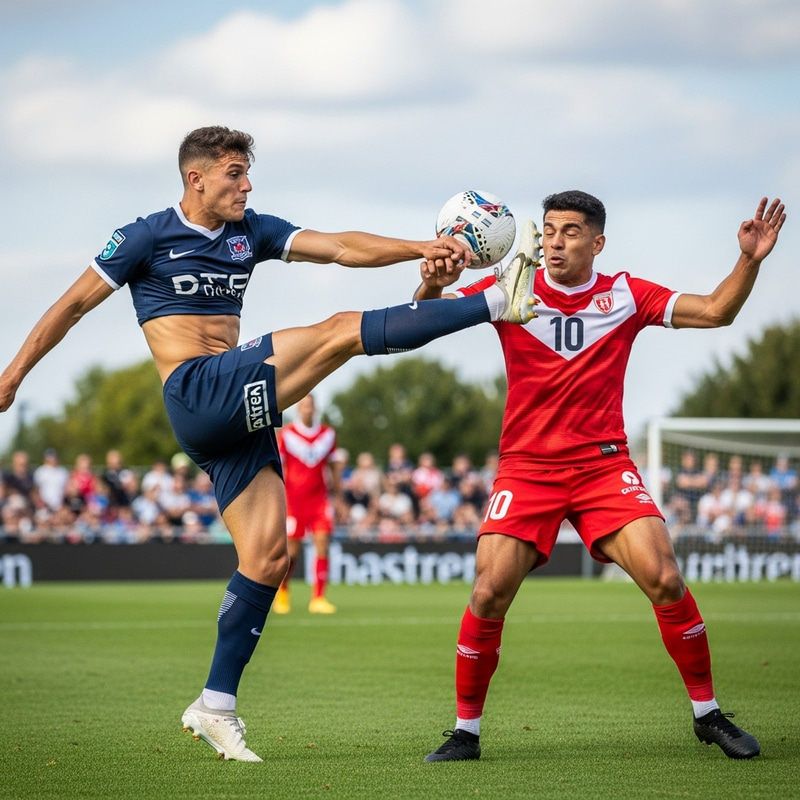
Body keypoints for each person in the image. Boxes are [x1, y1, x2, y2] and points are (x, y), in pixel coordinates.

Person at [0, 125, 537, 763]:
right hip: (197, 392)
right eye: (234, 173)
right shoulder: (144, 235)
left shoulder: (250, 231)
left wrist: (422, 247)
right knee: (339, 331)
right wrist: (10, 378)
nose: (246, 185)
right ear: (195, 178)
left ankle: (215, 706)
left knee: (267, 557)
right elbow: (70, 306)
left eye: (247, 174)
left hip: (235, 413)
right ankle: (499, 301)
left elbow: (339, 246)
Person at [415, 191, 786, 762]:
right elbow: (424, 320)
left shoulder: (625, 294)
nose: (555, 241)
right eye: (550, 230)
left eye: (569, 231)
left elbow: (716, 311)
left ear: (597, 242)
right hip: (528, 467)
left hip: (603, 466)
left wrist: (750, 260)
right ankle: (466, 732)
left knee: (664, 576)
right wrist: (436, 284)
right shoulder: (511, 287)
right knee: (488, 592)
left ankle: (708, 716)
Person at [274, 393, 344, 614]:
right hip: (294, 501)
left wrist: (340, 498)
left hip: (319, 500)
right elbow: (278, 468)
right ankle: (283, 590)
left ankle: (319, 598)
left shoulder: (328, 435)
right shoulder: (286, 435)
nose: (307, 409)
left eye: (310, 405)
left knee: (322, 544)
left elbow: (333, 468)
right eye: (303, 405)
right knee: (292, 551)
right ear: (298, 409)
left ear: (315, 408)